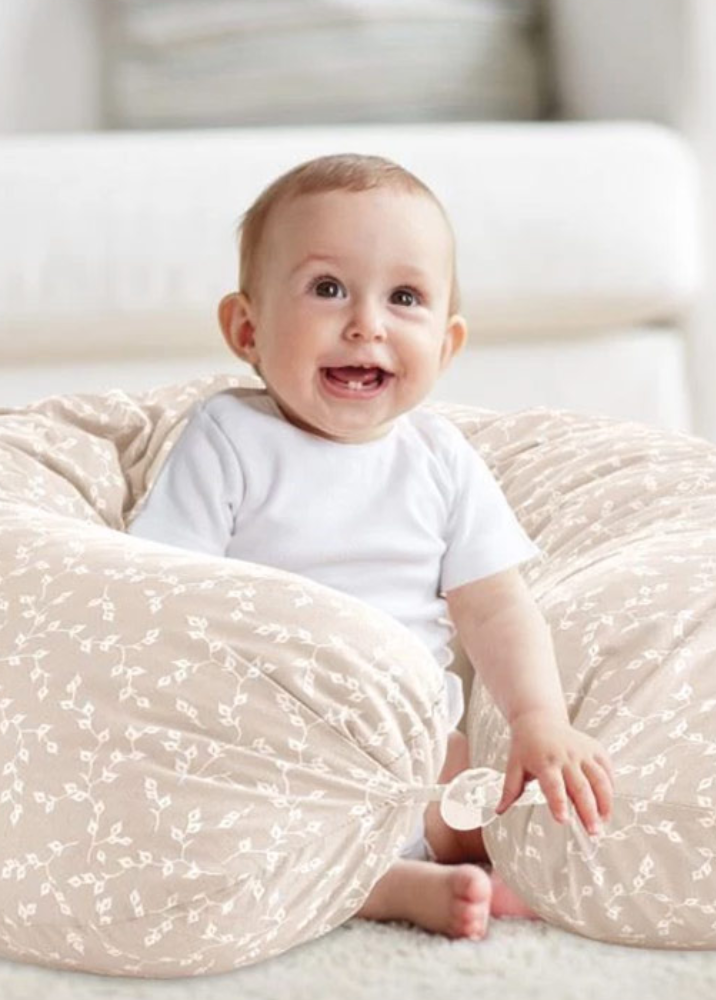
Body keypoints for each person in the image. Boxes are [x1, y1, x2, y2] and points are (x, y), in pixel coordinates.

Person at [126, 153, 616, 941]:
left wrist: (539, 720)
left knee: (496, 791)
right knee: (205, 815)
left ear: (447, 345)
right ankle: (381, 886)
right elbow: (164, 586)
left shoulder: (440, 459)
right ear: (247, 329)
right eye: (327, 289)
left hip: (409, 744)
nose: (366, 324)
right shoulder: (229, 437)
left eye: (405, 298)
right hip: (276, 736)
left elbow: (495, 606)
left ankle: (482, 859)